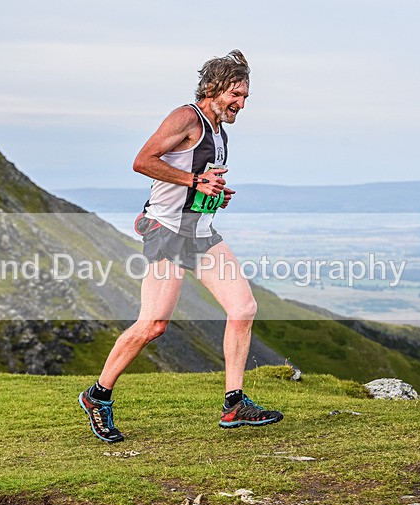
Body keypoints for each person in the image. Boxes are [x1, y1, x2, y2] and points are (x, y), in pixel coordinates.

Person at [79, 49, 283, 443]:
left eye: (245, 97)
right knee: (154, 324)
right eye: (235, 95)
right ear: (213, 88)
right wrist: (195, 184)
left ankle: (234, 404)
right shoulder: (186, 117)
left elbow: (197, 178)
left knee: (243, 309)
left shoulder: (219, 131)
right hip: (167, 231)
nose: (241, 104)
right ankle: (98, 396)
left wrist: (213, 194)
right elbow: (142, 161)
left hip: (200, 231)